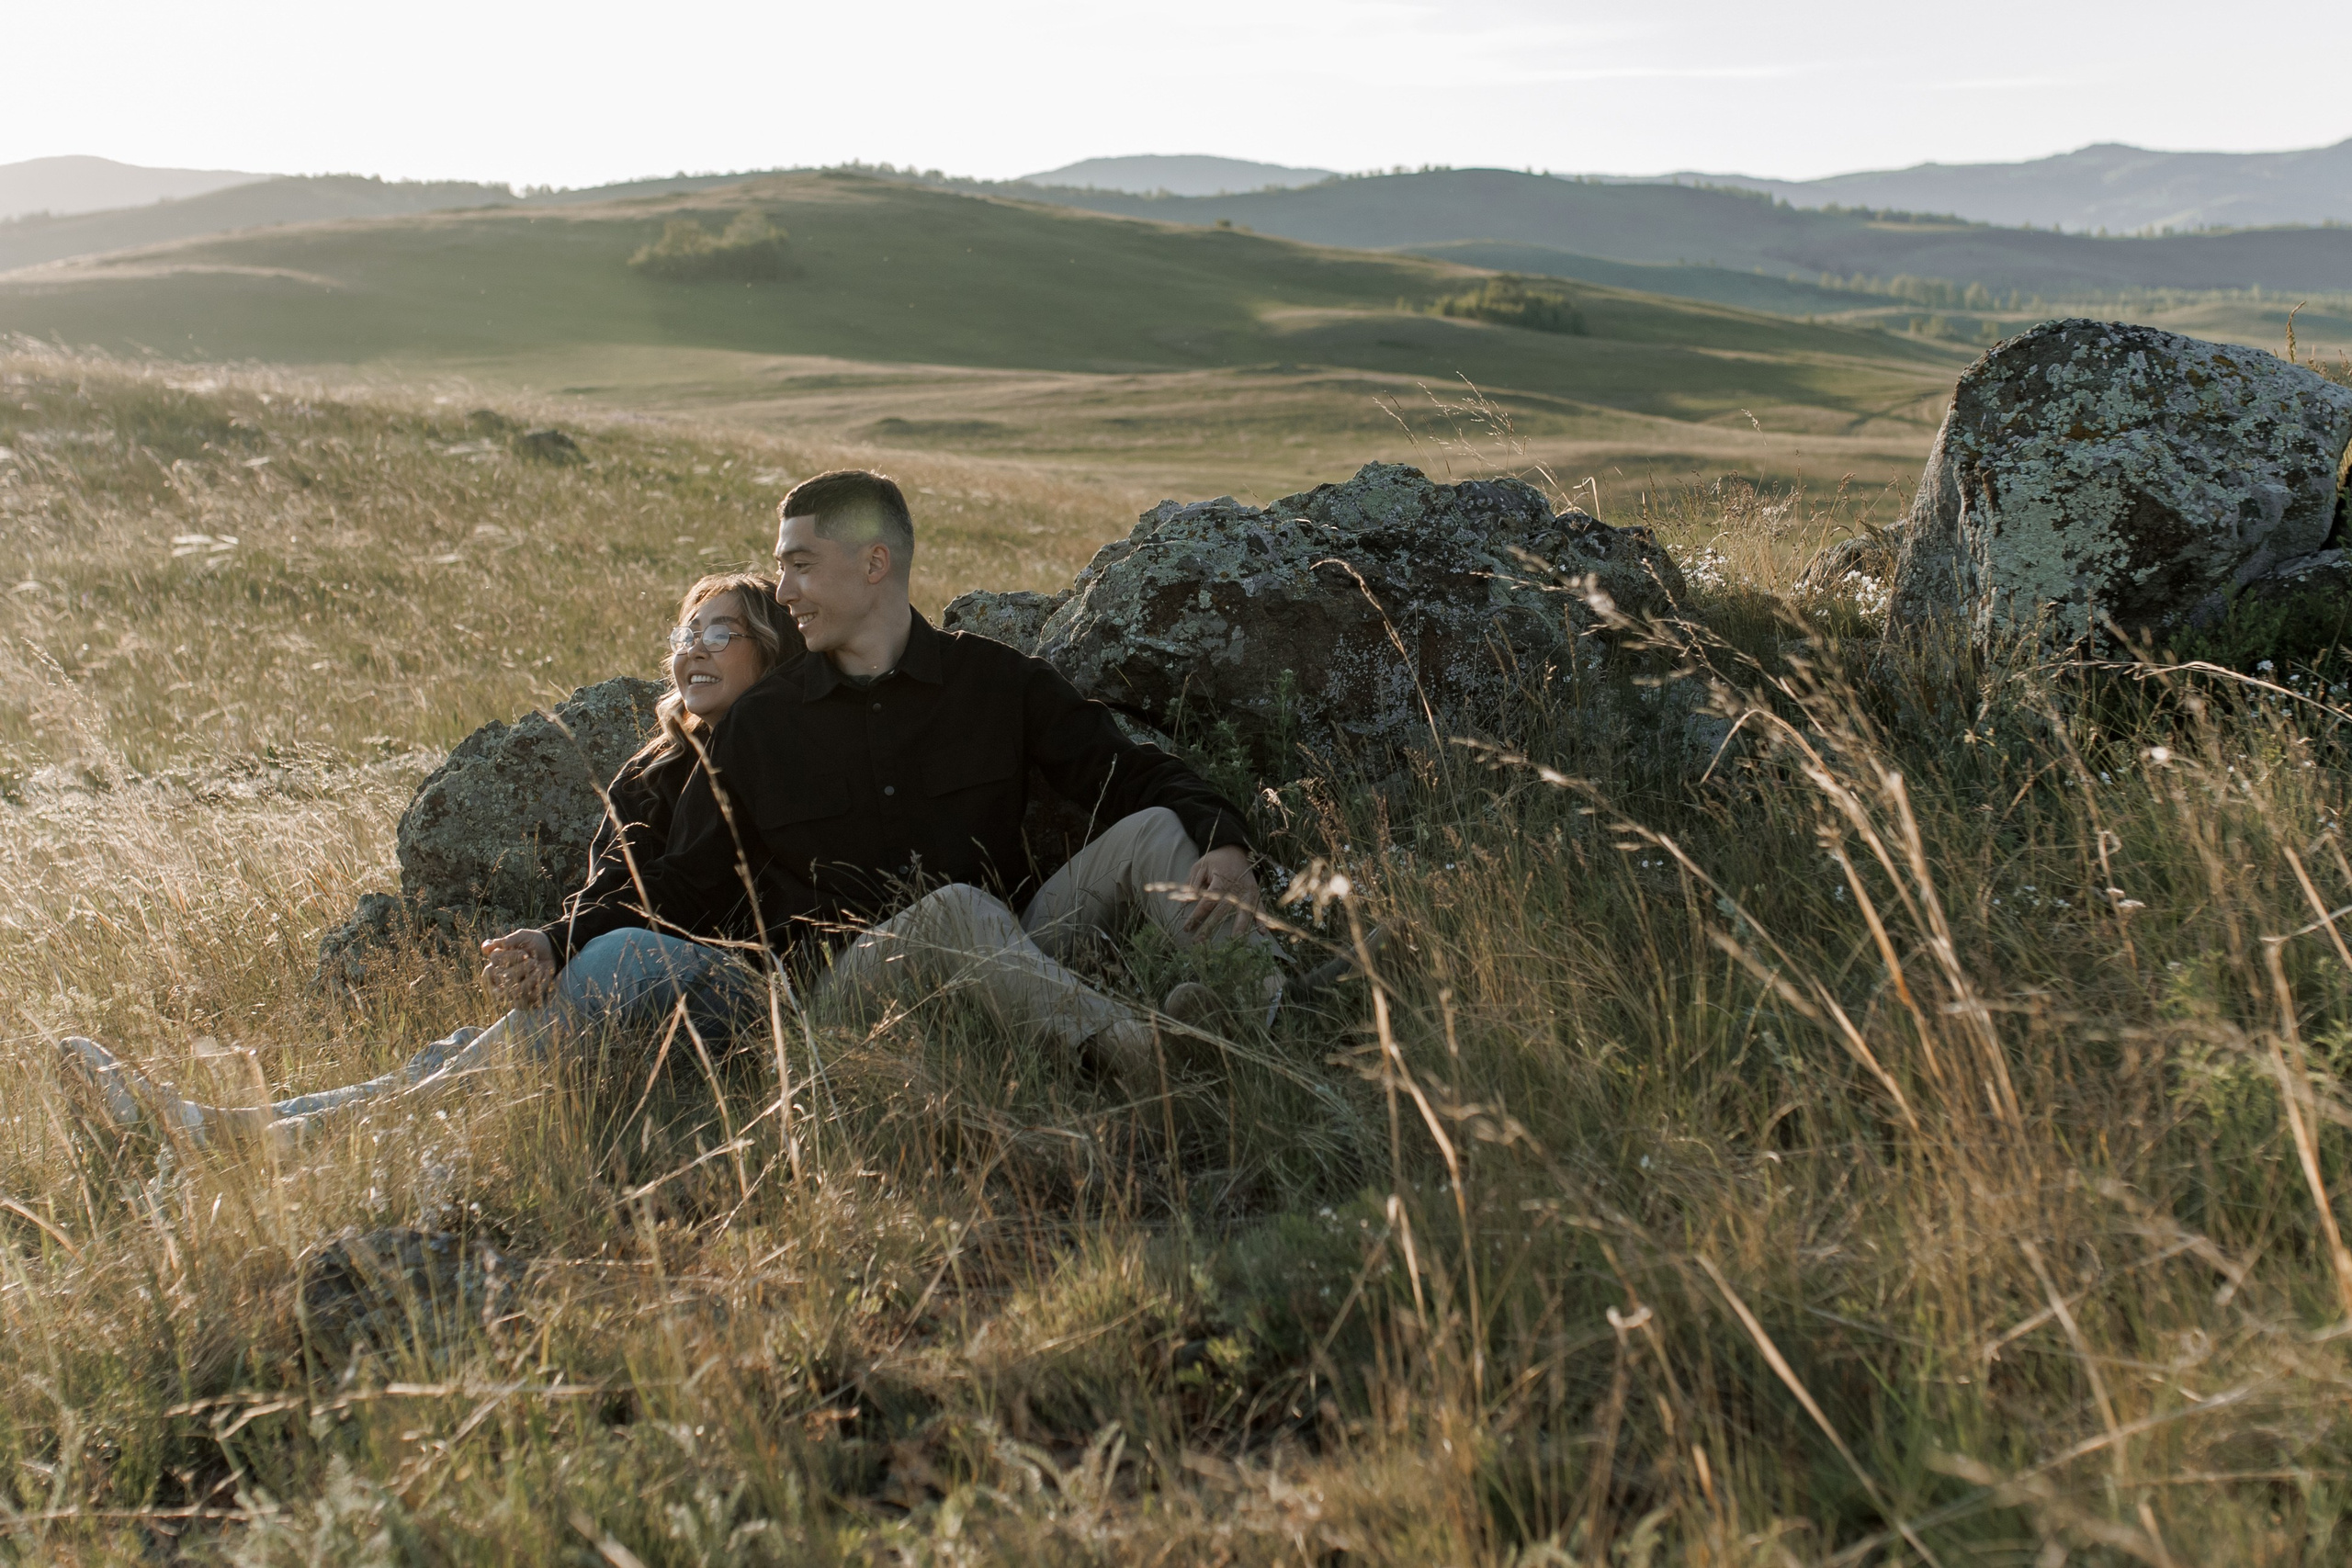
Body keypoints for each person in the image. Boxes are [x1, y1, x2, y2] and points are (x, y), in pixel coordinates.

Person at [58, 573, 804, 1148]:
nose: (694, 646)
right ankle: (217, 1129)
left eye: (721, 631)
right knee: (465, 1052)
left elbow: (688, 889)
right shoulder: (654, 766)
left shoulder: (768, 747)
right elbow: (618, 883)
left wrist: (563, 940)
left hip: (745, 993)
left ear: (771, 652)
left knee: (607, 961)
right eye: (687, 630)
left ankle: (247, 1138)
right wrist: (551, 948)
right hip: (647, 977)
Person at [608, 468, 1273, 1082]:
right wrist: (565, 942)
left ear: (875, 563)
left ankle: (1254, 1016)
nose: (784, 592)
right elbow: (682, 881)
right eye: (782, 570)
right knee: (955, 909)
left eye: (801, 567)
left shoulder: (995, 680)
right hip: (855, 997)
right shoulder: (761, 723)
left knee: (1156, 829)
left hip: (1014, 958)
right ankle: (1144, 1054)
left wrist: (1225, 840)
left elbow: (1129, 772)